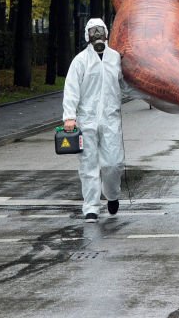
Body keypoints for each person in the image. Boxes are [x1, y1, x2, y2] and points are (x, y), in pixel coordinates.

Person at [63, 18, 133, 222]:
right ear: (87, 35)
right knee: (89, 165)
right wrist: (70, 116)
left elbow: (126, 85)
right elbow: (71, 90)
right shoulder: (80, 61)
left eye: (100, 31)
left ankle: (112, 195)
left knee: (113, 163)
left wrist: (150, 94)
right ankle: (91, 207)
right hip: (87, 121)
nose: (97, 36)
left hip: (110, 119)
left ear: (106, 33)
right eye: (93, 32)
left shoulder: (116, 59)